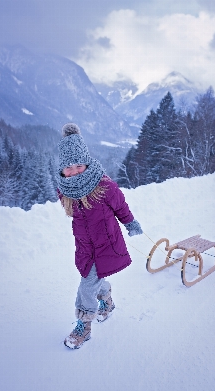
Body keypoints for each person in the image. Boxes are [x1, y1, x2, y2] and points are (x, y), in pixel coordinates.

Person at [57, 123, 143, 349]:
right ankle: (107, 301)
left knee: (86, 286)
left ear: (86, 162)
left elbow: (120, 206)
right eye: (69, 167)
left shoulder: (104, 186)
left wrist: (131, 223)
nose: (74, 170)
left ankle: (84, 326)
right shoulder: (65, 190)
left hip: (105, 244)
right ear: (62, 169)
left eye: (78, 165)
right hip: (85, 246)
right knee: (94, 278)